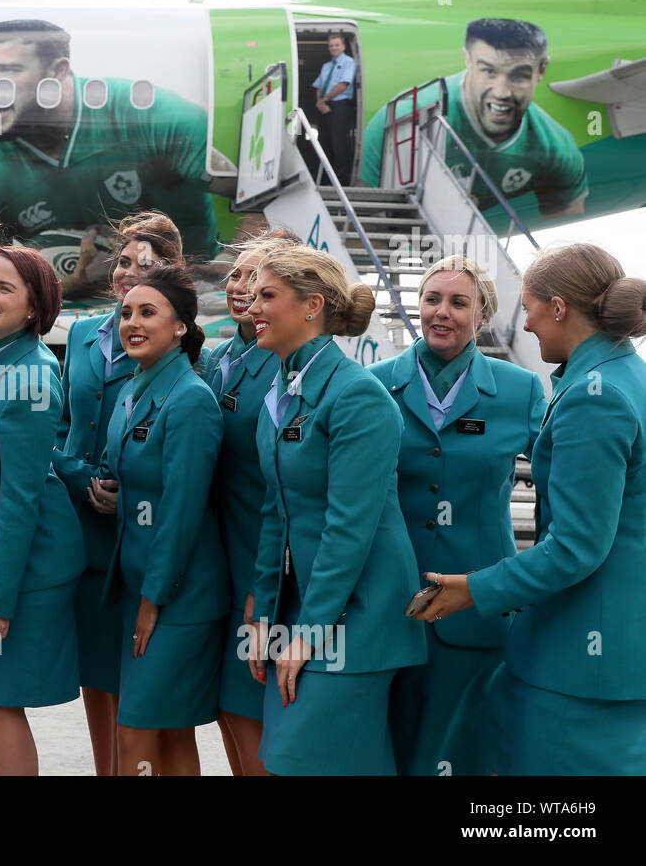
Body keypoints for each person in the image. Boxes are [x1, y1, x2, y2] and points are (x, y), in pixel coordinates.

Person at [416, 243, 646, 775]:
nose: (527, 326)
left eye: (530, 308)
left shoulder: (596, 396)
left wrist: (473, 589)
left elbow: (577, 545)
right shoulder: (625, 378)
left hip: (578, 661)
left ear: (559, 308)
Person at [244, 245, 426, 776]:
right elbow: (274, 514)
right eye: (253, 295)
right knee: (295, 759)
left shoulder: (357, 397)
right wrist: (262, 617)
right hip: (308, 608)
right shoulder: (280, 391)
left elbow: (350, 530)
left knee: (314, 761)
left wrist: (308, 634)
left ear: (312, 306)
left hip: (360, 615)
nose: (253, 307)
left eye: (267, 296)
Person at [368, 256, 544, 776]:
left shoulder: (520, 390)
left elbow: (564, 486)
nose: (441, 312)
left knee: (464, 757)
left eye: (458, 302)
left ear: (482, 314)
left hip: (477, 607)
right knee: (389, 752)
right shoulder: (373, 385)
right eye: (431, 300)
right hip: (388, 602)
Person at [0, 19, 228, 299]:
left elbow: (261, 200)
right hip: (58, 317)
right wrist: (65, 287)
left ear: (57, 72)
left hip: (191, 303)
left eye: (8, 71)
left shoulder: (156, 116)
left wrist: (232, 271)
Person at [52, 210, 183, 776]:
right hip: (84, 528)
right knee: (96, 681)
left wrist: (127, 492)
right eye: (124, 261)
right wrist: (81, 475)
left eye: (146, 267)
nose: (129, 273)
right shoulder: (81, 335)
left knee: (143, 693)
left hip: (142, 532)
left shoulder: (175, 344)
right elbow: (58, 429)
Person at [0, 245, 85, 775]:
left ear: (34, 307)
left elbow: (22, 497)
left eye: (6, 288)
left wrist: (0, 600)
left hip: (20, 571)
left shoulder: (31, 374)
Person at [99, 263, 227, 776]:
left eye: (148, 312)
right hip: (139, 583)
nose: (133, 321)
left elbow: (182, 512)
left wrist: (154, 600)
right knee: (171, 735)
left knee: (134, 732)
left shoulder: (191, 399)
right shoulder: (134, 388)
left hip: (178, 594)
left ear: (180, 327)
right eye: (127, 312)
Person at [206, 228, 299, 777]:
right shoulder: (221, 355)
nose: (244, 287)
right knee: (227, 710)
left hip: (258, 559)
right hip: (217, 555)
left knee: (251, 712)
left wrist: (261, 588)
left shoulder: (282, 363)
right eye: (239, 274)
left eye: (262, 280)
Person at [361, 18, 587, 218]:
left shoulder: (556, 147)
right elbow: (364, 218)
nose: (501, 92)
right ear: (467, 60)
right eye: (489, 71)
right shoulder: (400, 119)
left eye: (519, 75)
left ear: (542, 69)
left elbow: (568, 245)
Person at [312, 34, 357, 186]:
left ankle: (340, 181)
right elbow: (318, 85)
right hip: (324, 107)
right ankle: (324, 180)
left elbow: (344, 84)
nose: (334, 48)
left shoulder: (349, 62)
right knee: (324, 143)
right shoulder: (326, 66)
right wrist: (319, 102)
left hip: (339, 105)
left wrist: (325, 100)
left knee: (339, 144)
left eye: (337, 45)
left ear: (343, 46)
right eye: (331, 45)